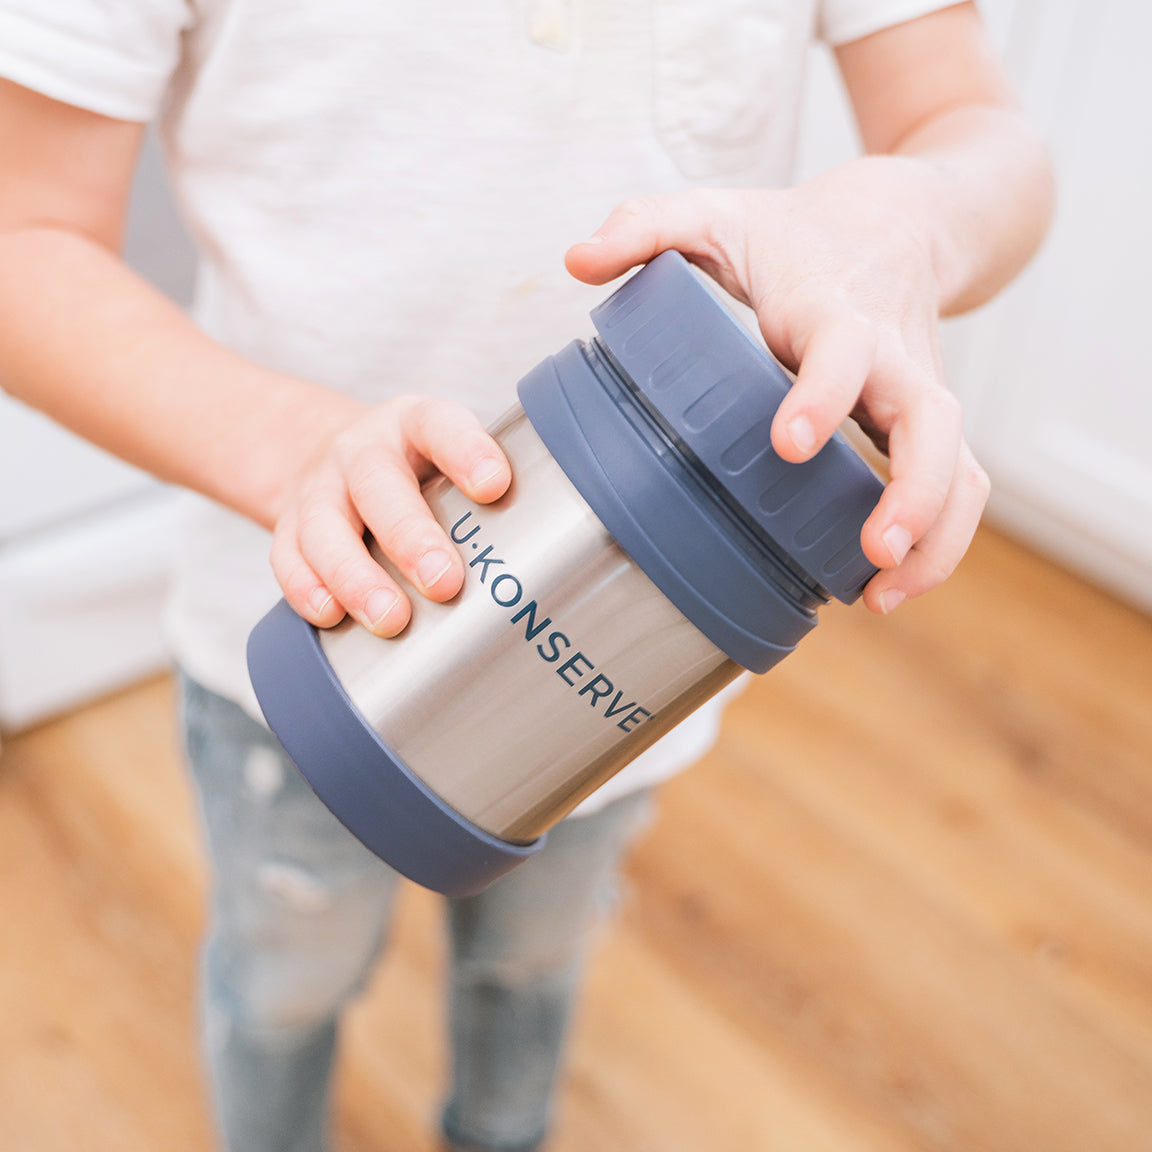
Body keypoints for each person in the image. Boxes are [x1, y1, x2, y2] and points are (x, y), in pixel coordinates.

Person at [0, 2, 1053, 1150]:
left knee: (535, 961)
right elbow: (24, 239)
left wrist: (907, 221)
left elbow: (978, 129)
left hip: (637, 671)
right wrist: (293, 446)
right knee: (282, 980)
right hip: (310, 632)